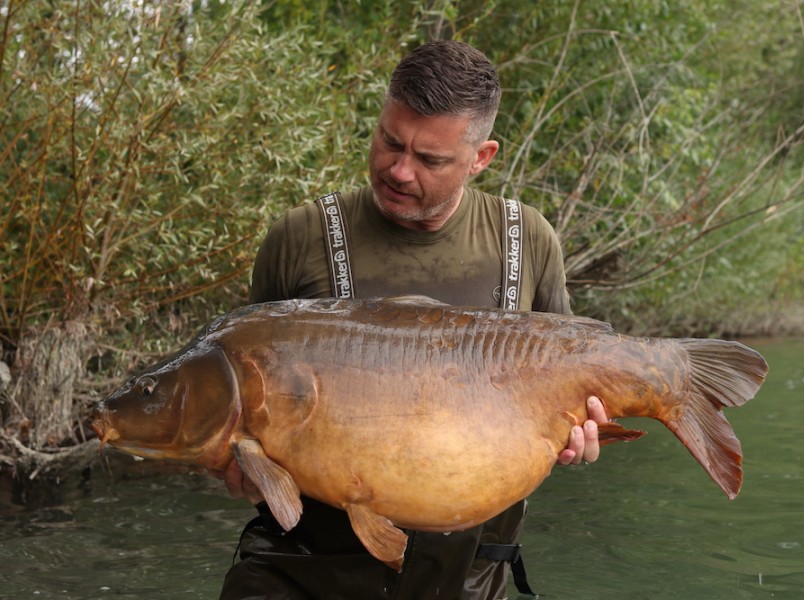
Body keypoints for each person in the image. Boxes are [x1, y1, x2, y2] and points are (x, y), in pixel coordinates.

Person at [215, 40, 609, 600]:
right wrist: (240, 469)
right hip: (304, 574)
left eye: (430, 160)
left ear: (481, 157)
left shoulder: (529, 241)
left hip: (469, 580)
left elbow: (571, 389)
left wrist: (580, 436)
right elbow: (244, 408)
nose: (398, 170)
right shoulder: (299, 239)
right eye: (389, 142)